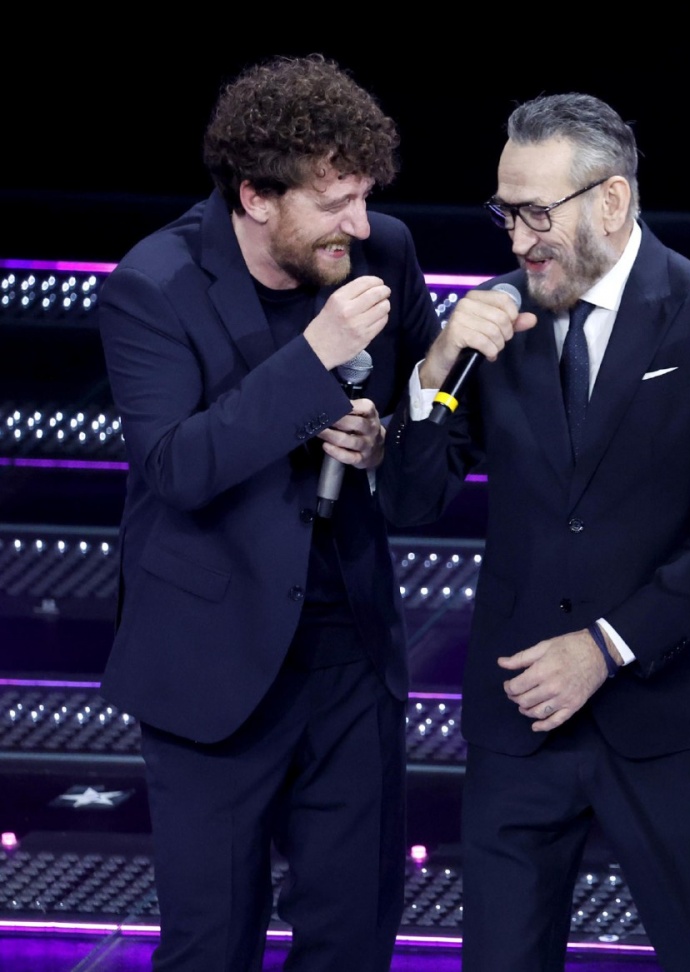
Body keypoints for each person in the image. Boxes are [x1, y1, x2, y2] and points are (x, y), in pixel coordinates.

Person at [378, 93, 690, 971]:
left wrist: (605, 647)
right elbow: (410, 501)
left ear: (612, 201)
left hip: (667, 716)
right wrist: (437, 365)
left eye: (534, 214)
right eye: (505, 213)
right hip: (520, 720)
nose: (517, 240)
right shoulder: (493, 318)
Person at [96, 56, 437, 970]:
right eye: (334, 205)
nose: (358, 226)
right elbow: (176, 467)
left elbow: (421, 413)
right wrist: (313, 357)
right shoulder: (152, 286)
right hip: (210, 658)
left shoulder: (386, 253)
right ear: (254, 195)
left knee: (354, 933)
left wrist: (381, 442)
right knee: (211, 943)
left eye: (364, 197)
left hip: (349, 651)